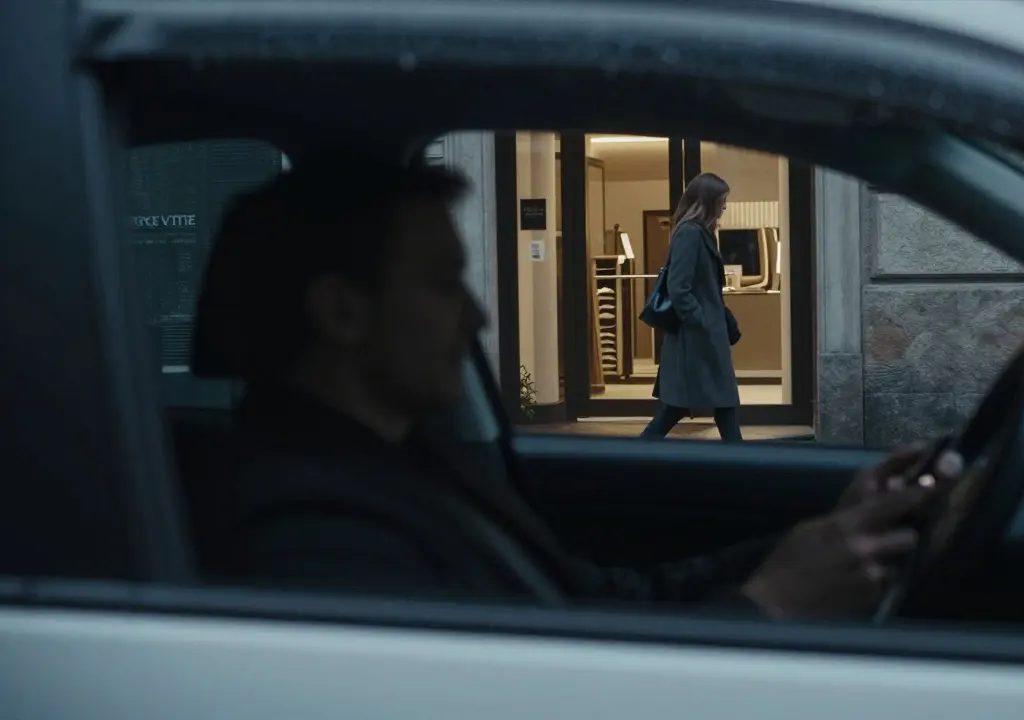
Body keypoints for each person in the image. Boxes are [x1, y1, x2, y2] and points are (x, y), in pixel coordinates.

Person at [188, 154, 962, 620]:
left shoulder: (413, 463)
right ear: (342, 311)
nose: (479, 312)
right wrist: (772, 607)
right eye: (443, 282)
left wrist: (816, 541)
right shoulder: (308, 535)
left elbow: (598, 595)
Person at [643, 173, 742, 441]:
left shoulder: (701, 233)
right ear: (707, 202)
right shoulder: (690, 233)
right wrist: (702, 321)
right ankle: (745, 463)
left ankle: (743, 461)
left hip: (704, 336)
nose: (723, 207)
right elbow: (679, 288)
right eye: (721, 202)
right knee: (710, 402)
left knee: (717, 402)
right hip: (696, 338)